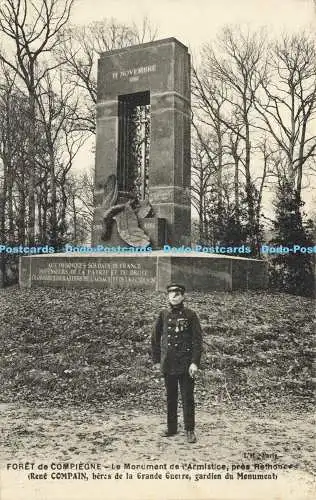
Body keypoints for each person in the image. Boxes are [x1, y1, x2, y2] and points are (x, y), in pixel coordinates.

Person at [152, 283, 203, 443]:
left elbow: (197, 341)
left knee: (187, 397)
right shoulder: (163, 314)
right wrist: (156, 360)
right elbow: (155, 338)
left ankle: (189, 429)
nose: (174, 296)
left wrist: (195, 362)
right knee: (171, 397)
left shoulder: (190, 315)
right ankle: (172, 427)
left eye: (177, 293)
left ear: (183, 296)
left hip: (186, 363)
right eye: (171, 293)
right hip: (168, 362)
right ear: (167, 296)